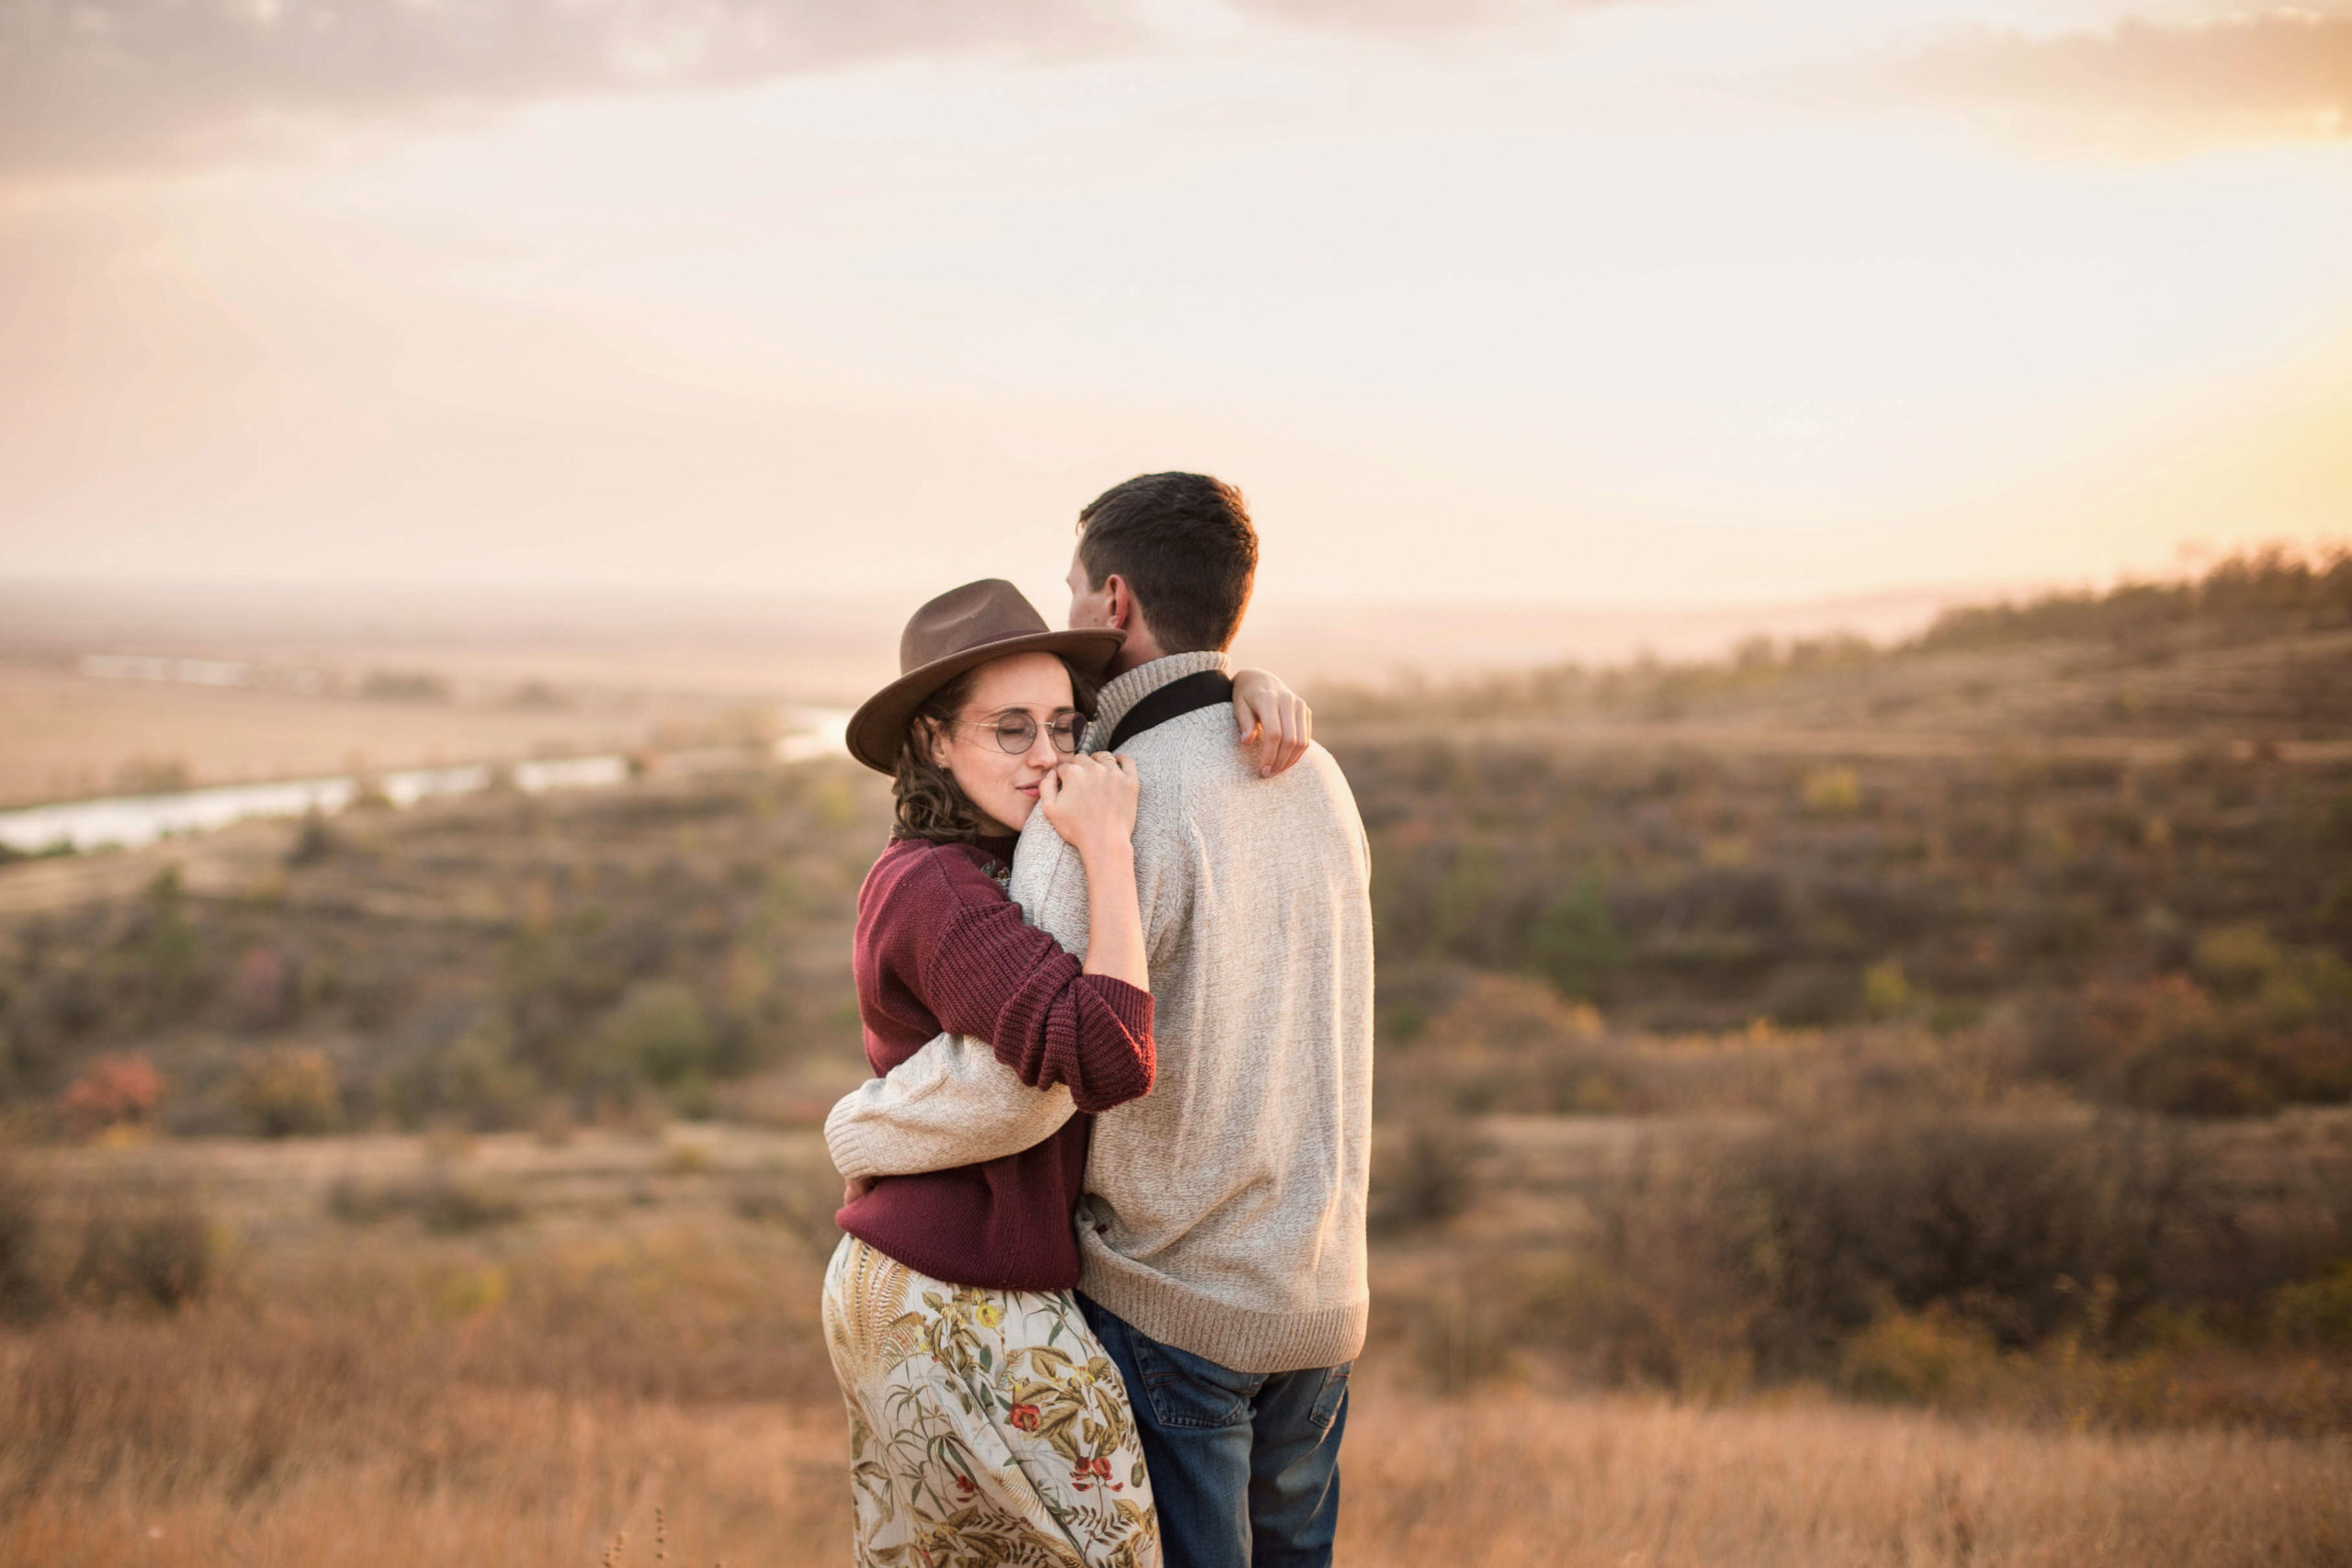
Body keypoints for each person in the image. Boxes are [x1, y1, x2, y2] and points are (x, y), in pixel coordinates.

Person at [830, 474, 1375, 1568]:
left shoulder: (1091, 813)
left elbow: (1021, 1086)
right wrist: (1245, 685)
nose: (1045, 749)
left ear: (1111, 601)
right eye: (1011, 727)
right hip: (1318, 1300)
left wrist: (859, 1129)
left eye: (1069, 590)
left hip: (1172, 1305)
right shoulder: (1313, 775)